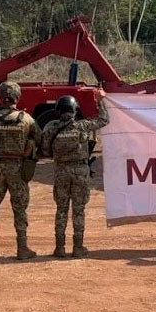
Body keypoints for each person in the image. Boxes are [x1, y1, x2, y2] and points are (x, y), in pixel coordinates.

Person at [0, 81, 42, 260]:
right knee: (20, 209)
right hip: (18, 170)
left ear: (0, 97)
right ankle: (22, 249)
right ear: (18, 97)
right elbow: (40, 139)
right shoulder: (27, 119)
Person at [42, 90, 109, 258]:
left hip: (60, 171)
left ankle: (59, 248)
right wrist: (100, 100)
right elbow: (104, 120)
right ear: (74, 110)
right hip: (80, 172)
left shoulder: (51, 128)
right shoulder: (82, 126)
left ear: (59, 110)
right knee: (78, 210)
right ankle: (78, 248)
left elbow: (44, 149)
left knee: (61, 209)